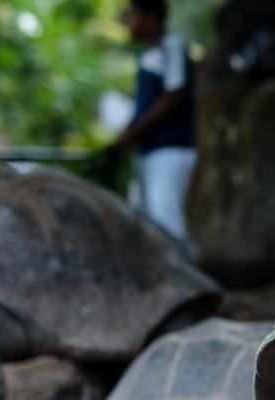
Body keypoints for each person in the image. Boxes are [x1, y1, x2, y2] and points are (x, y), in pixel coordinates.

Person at [117, 0, 198, 259]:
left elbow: (175, 93)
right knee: (146, 216)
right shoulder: (147, 55)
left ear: (151, 17)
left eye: (133, 16)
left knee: (167, 219)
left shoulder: (171, 46)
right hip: (149, 151)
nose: (129, 23)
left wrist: (138, 128)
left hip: (171, 149)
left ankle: (190, 278)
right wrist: (130, 129)